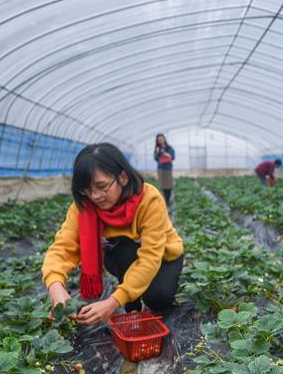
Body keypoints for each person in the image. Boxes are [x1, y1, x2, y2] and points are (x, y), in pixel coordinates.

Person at [42, 143, 184, 325]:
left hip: (164, 257)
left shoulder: (149, 199)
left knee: (158, 298)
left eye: (101, 186)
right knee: (122, 251)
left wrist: (113, 302)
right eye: (87, 189)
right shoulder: (83, 208)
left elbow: (150, 258)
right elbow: (61, 249)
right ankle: (132, 305)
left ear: (123, 177)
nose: (95, 196)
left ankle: (135, 295)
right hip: (126, 255)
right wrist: (56, 288)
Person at [154, 133, 176, 206]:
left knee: (168, 184)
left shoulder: (169, 148)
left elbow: (173, 157)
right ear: (157, 141)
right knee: (162, 184)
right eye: (159, 139)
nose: (160, 140)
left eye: (161, 138)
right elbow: (155, 158)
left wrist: (167, 155)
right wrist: (158, 153)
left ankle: (167, 199)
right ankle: (165, 200)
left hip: (168, 168)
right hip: (160, 168)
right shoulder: (157, 149)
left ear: (164, 139)